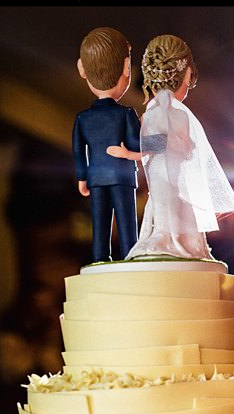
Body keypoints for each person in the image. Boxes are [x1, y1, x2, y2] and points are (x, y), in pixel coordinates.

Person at [106, 34, 234, 261]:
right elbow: (176, 144)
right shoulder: (172, 112)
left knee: (168, 213)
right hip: (169, 175)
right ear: (186, 75)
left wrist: (130, 153)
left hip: (168, 176)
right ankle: (173, 241)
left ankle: (170, 241)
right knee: (168, 212)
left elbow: (165, 143)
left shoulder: (160, 111)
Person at [73, 26, 141, 264]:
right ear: (126, 68)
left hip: (96, 177)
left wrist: (82, 178)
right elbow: (137, 145)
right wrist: (154, 135)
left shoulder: (83, 118)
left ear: (82, 68)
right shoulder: (126, 114)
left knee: (99, 223)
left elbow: (78, 151)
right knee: (126, 223)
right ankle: (131, 258)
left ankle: (100, 258)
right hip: (122, 177)